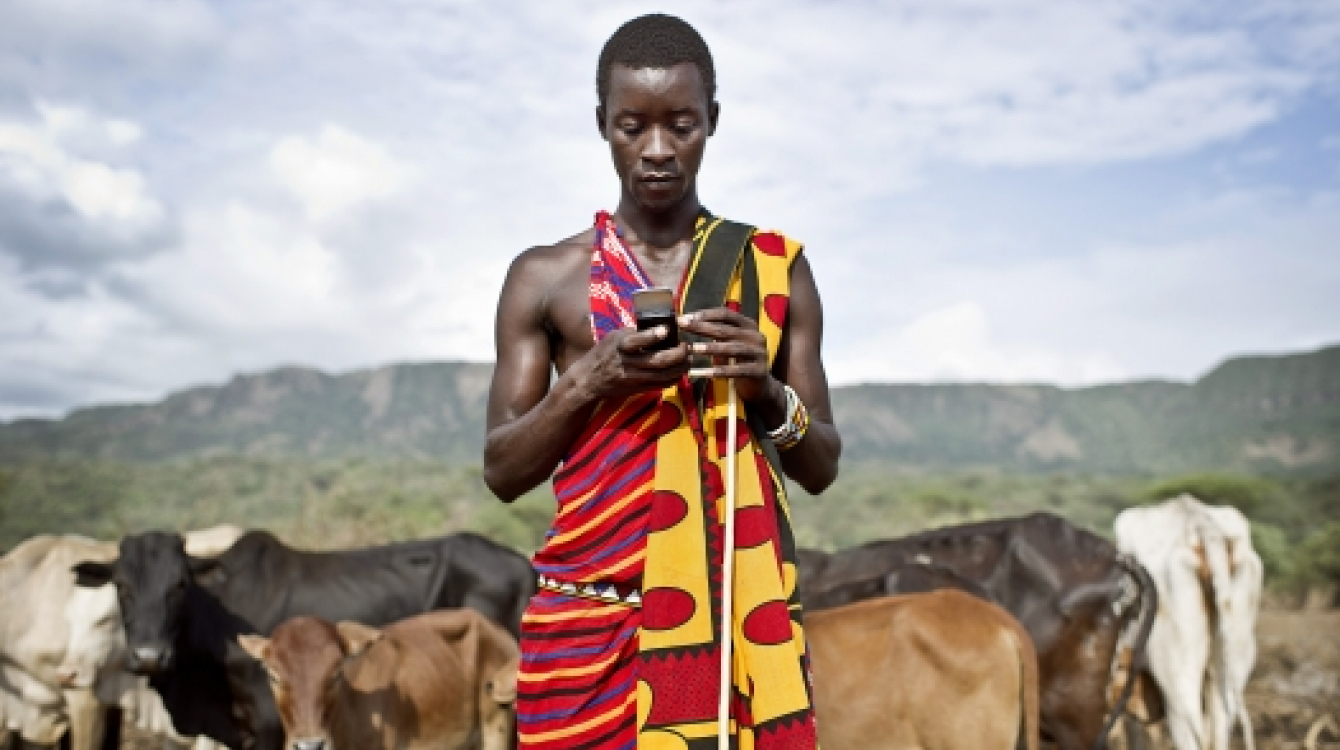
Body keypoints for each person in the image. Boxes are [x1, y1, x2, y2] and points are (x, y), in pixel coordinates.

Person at [484, 14, 841, 750]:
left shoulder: (771, 270)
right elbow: (502, 470)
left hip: (733, 631)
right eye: (630, 126)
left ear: (711, 120)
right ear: (602, 125)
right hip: (585, 631)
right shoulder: (545, 278)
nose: (655, 150)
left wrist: (767, 394)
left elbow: (822, 466)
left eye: (680, 125)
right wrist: (589, 381)